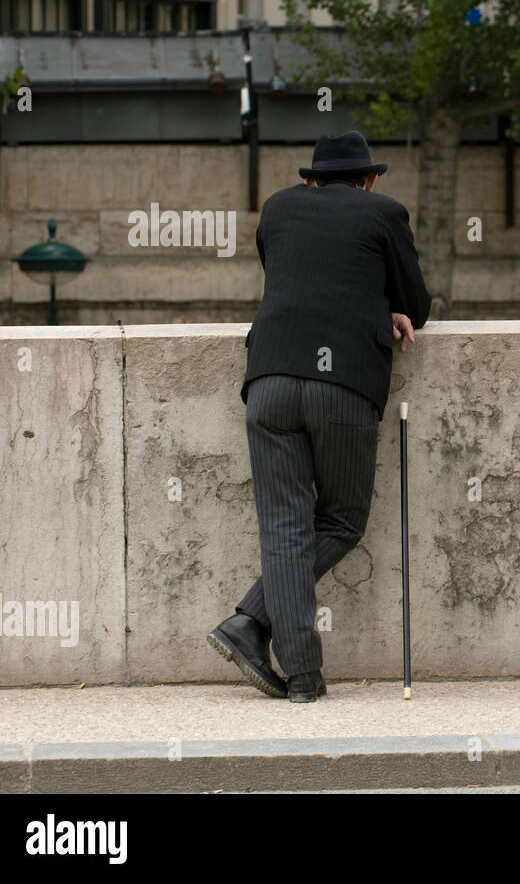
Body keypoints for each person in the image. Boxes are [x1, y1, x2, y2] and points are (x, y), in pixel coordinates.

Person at [209, 130, 432, 703]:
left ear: (309, 178)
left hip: (269, 380)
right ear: (371, 179)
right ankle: (249, 624)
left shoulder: (278, 208)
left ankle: (300, 673)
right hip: (343, 386)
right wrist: (384, 307)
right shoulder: (384, 212)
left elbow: (293, 274)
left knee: (284, 525)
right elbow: (419, 303)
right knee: (340, 521)